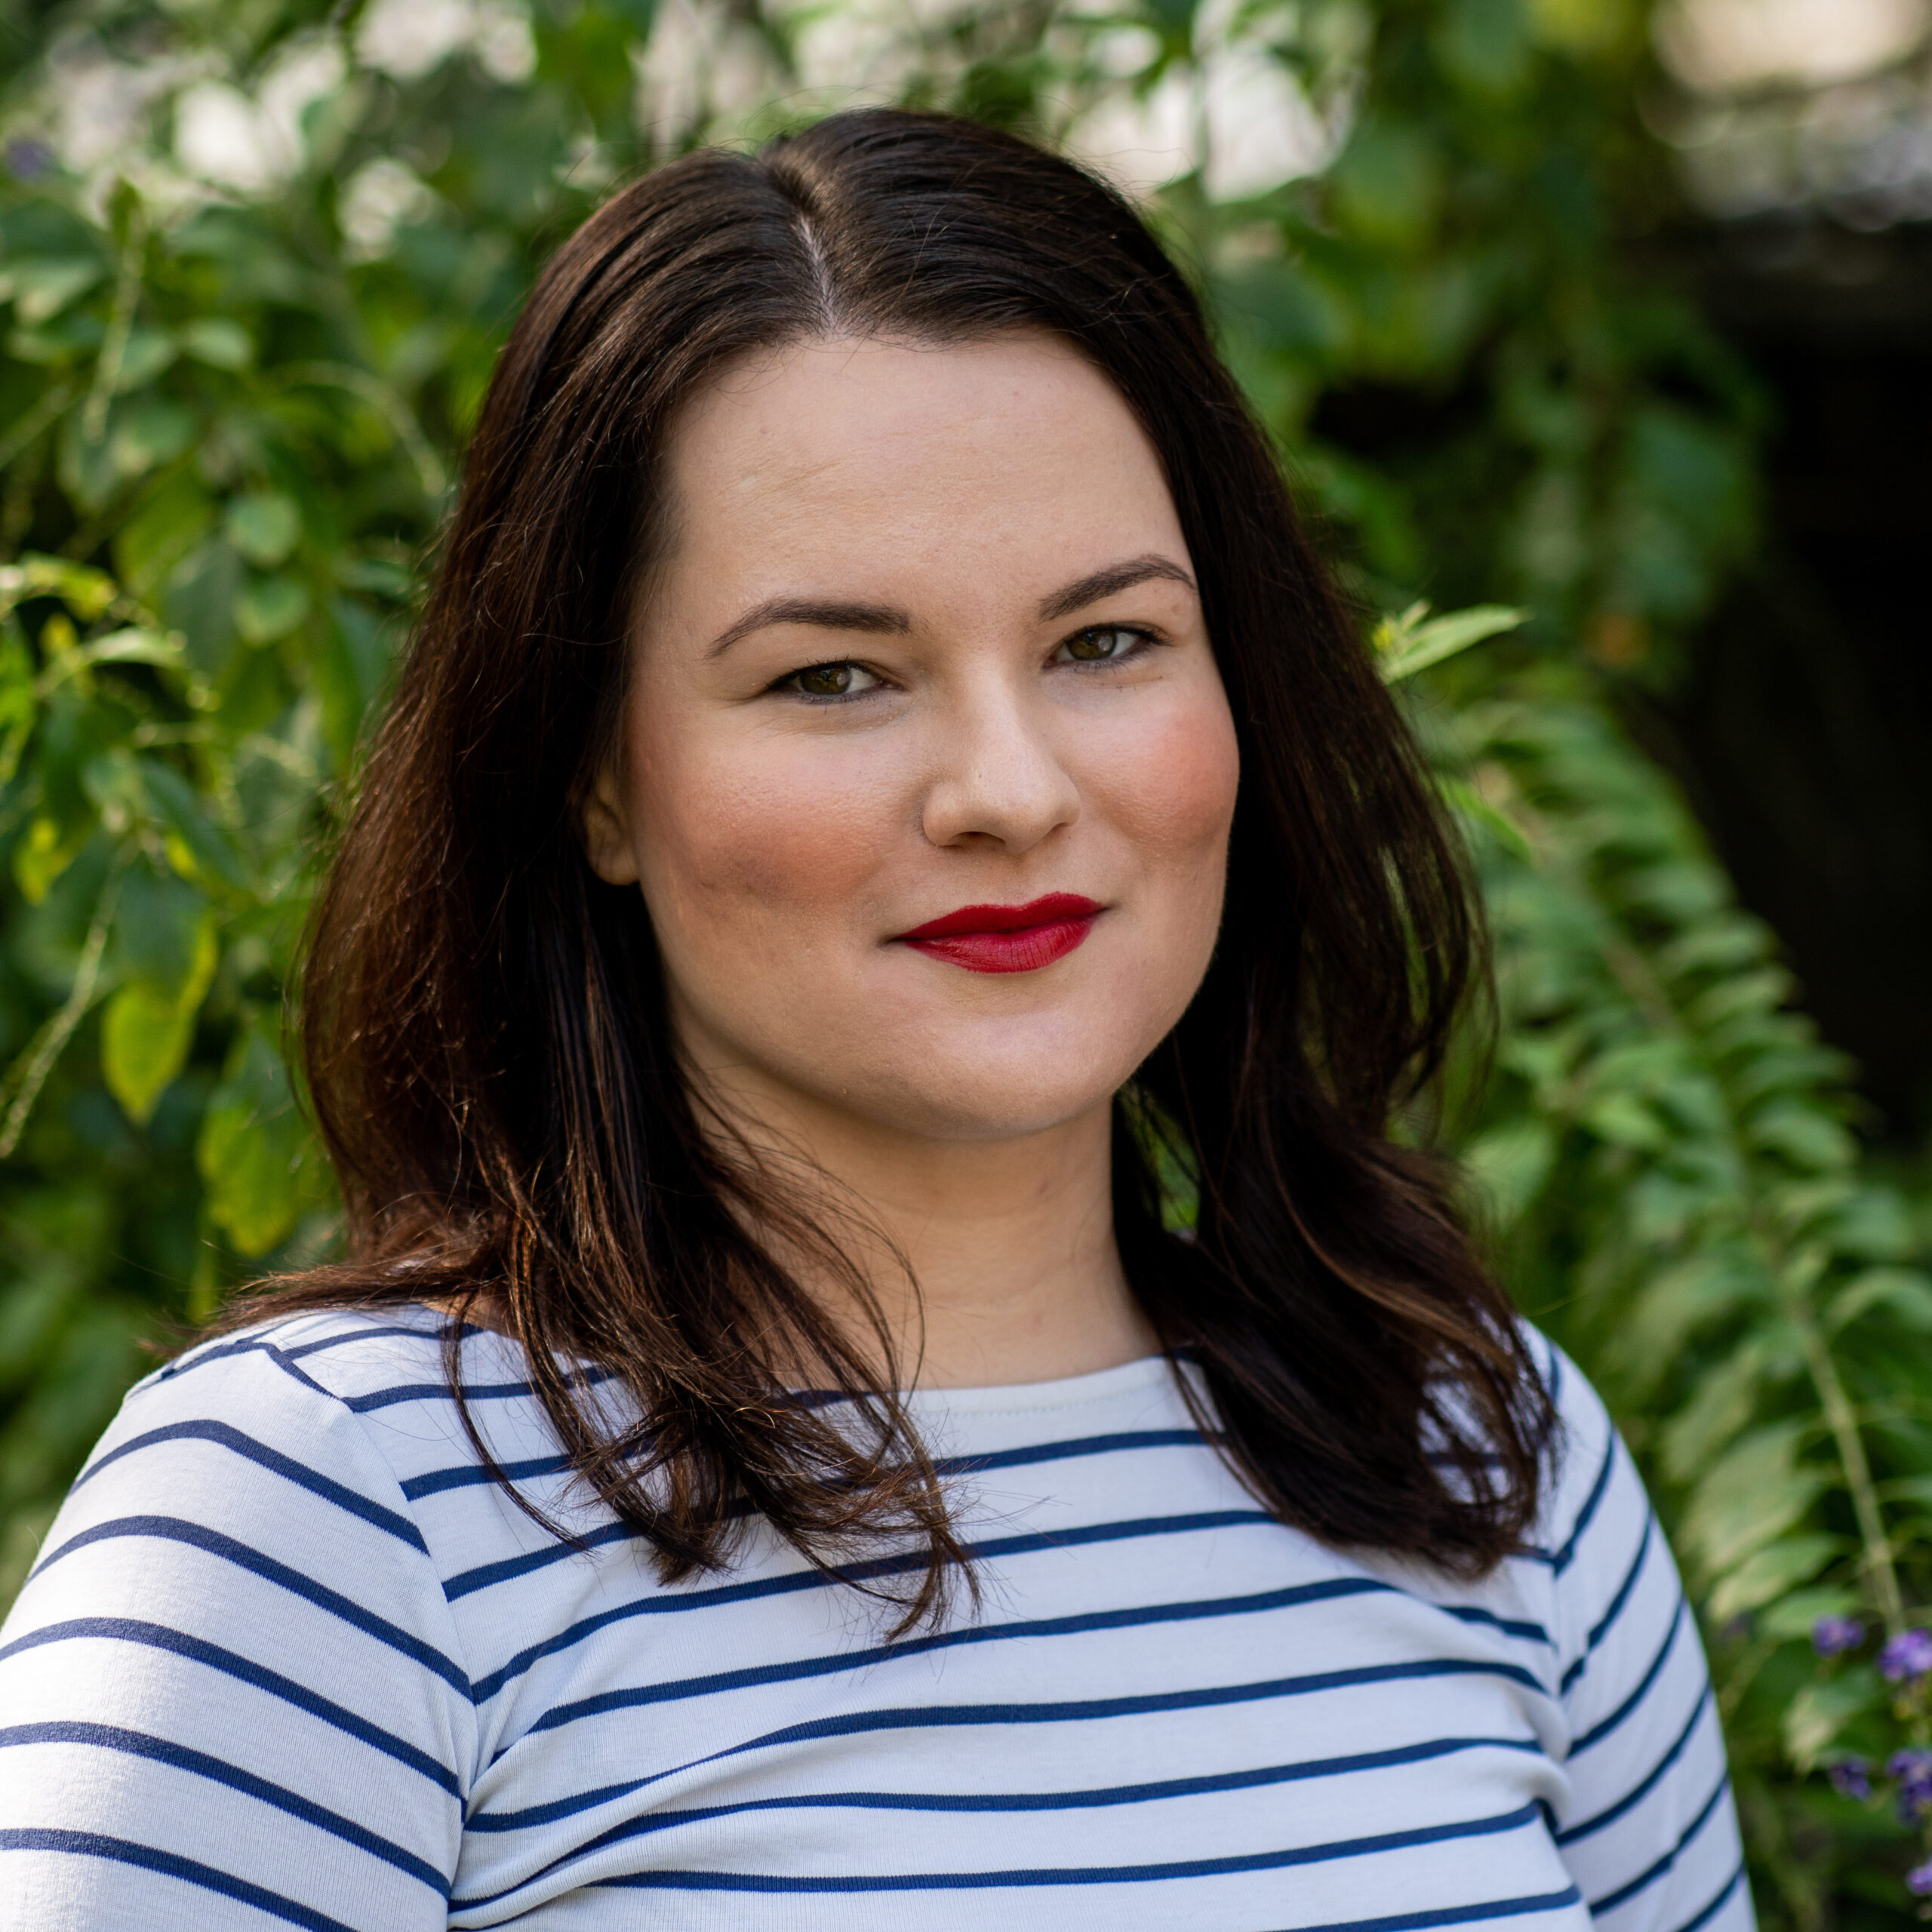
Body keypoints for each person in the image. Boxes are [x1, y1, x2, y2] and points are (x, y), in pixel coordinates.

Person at [0, 109, 1748, 1930]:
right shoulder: (323, 1524)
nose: (1008, 788)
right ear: (593, 772)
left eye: (1106, 643)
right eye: (832, 674)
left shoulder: (1481, 1454)